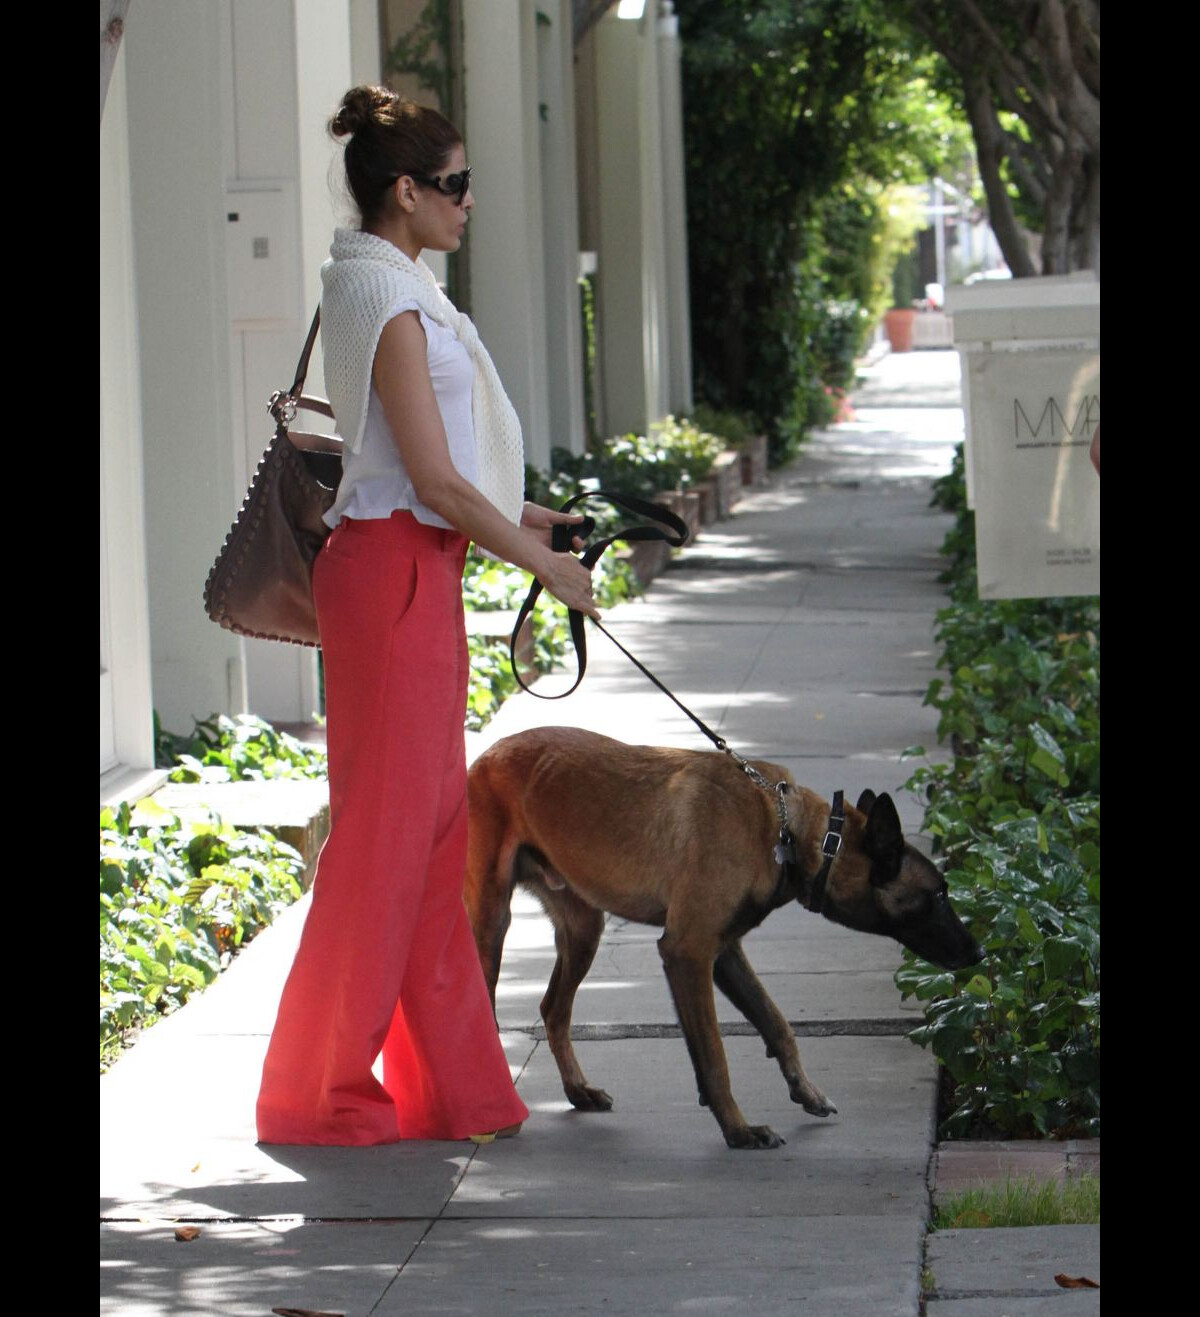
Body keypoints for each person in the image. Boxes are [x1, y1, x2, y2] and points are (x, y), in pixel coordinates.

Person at [255, 85, 598, 1146]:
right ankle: (315, 1094)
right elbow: (436, 484)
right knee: (383, 845)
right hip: (394, 574)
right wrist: (543, 559)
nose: (469, 203)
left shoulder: (400, 289)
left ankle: (455, 1091)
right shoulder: (388, 301)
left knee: (432, 837)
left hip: (417, 575)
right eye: (453, 186)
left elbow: (435, 472)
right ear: (403, 192)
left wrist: (539, 517)